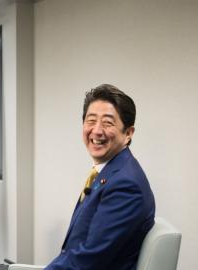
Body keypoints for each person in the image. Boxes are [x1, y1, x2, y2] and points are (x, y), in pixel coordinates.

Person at [46, 84, 155, 269]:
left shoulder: (126, 185)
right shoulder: (110, 171)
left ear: (128, 133)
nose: (96, 130)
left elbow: (87, 261)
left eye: (107, 122)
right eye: (91, 120)